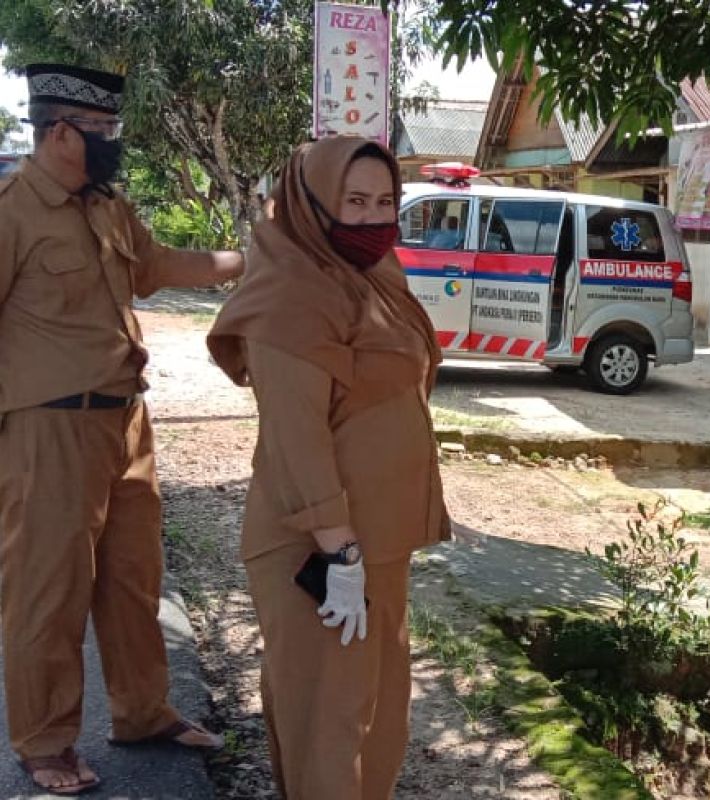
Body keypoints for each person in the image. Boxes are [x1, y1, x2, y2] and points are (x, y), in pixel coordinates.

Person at [0, 63, 243, 795]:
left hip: (126, 422)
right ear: (62, 132)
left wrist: (248, 262)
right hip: (49, 430)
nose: (113, 144)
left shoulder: (107, 207)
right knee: (49, 592)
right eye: (103, 133)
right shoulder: (12, 212)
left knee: (134, 581)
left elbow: (159, 266)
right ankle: (44, 744)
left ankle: (142, 711)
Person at [207, 135, 450, 799]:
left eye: (385, 203)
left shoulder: (377, 275)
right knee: (329, 718)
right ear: (314, 204)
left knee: (382, 714)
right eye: (355, 202)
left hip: (381, 540)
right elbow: (296, 434)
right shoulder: (287, 292)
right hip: (319, 550)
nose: (373, 220)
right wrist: (338, 550)